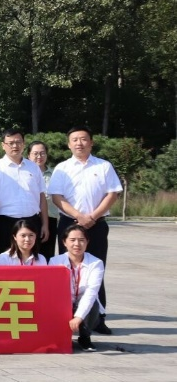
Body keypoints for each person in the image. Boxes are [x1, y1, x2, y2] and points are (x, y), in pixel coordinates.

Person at [48, 126, 121, 336]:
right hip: (69, 223)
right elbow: (57, 197)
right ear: (68, 144)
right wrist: (79, 216)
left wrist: (93, 216)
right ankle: (65, 316)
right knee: (66, 270)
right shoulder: (62, 168)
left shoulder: (104, 166)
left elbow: (112, 194)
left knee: (96, 268)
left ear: (91, 142)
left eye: (83, 139)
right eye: (75, 140)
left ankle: (98, 318)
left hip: (96, 225)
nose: (79, 143)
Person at [0, 130, 49, 256]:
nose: (15, 146)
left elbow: (42, 197)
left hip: (32, 220)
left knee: (33, 259)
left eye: (18, 142)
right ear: (3, 145)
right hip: (5, 223)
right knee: (7, 260)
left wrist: (45, 225)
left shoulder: (33, 167)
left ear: (23, 144)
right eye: (10, 143)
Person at [50, 224, 105, 351]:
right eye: (72, 240)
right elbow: (54, 291)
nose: (77, 244)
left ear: (87, 242)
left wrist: (79, 317)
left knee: (93, 304)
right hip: (64, 303)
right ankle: (60, 336)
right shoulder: (55, 261)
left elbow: (91, 292)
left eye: (81, 240)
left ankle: (85, 337)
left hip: (84, 303)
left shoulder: (96, 263)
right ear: (64, 242)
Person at [29, 141, 61, 259]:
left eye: (42, 153)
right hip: (30, 218)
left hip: (50, 218)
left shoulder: (55, 174)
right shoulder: (25, 173)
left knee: (47, 254)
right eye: (35, 153)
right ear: (28, 155)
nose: (39, 156)